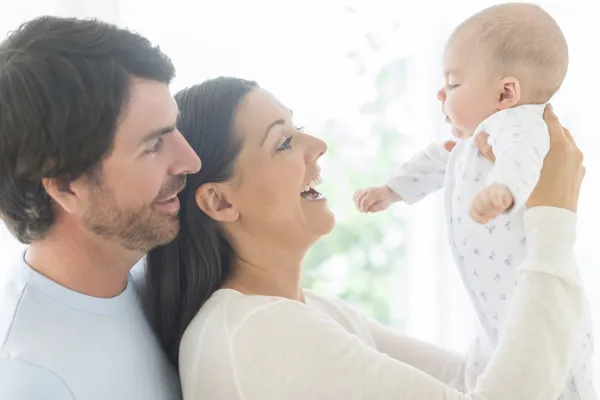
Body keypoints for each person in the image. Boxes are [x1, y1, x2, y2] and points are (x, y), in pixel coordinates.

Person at [143, 76, 586, 399]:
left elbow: (472, 378)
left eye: (299, 128)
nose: (317, 145)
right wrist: (552, 220)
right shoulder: (257, 333)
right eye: (283, 142)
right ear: (219, 203)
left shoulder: (302, 311)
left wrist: (499, 215)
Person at [353, 4, 595, 398]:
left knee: (560, 374)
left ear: (505, 92)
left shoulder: (519, 124)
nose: (439, 93)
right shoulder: (473, 142)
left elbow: (525, 156)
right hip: (495, 307)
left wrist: (506, 189)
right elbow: (434, 161)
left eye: (452, 84)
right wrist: (390, 191)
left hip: (534, 293)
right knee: (492, 367)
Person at [0, 16, 201, 399]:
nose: (190, 160)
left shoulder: (155, 279)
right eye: (154, 145)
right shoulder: (28, 377)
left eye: (176, 127)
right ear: (64, 186)